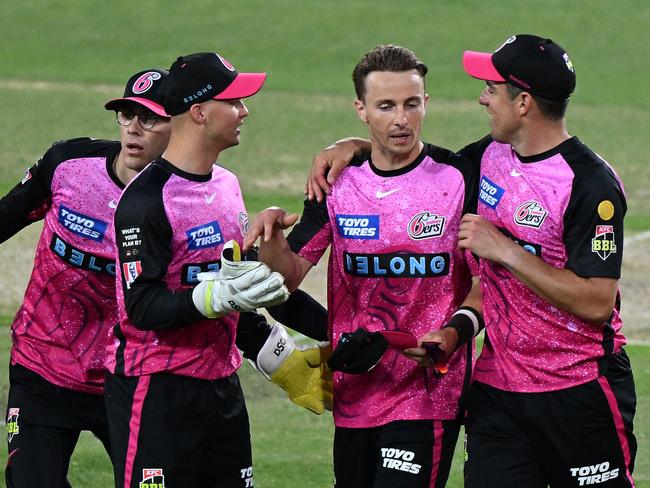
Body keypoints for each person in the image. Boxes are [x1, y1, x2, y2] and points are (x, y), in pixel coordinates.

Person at [307, 34, 637, 488]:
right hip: (498, 390)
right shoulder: (488, 157)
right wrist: (351, 146)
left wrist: (504, 250)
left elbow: (597, 302)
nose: (483, 97)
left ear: (522, 103)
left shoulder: (589, 183)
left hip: (577, 390)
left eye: (492, 88)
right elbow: (413, 161)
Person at [245, 45, 483, 488]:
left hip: (429, 392)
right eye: (386, 106)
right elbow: (286, 276)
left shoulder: (459, 176)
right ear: (361, 109)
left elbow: (488, 284)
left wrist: (454, 334)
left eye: (412, 104)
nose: (401, 119)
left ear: (426, 102)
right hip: (355, 391)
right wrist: (274, 238)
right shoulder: (337, 183)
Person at [103, 52, 293, 488]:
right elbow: (142, 307)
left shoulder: (227, 184)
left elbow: (242, 287)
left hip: (221, 384)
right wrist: (214, 297)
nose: (245, 111)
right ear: (199, 111)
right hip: (157, 392)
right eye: (235, 101)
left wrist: (299, 349)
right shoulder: (145, 201)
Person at [0, 68, 171, 487]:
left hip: (130, 381)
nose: (134, 128)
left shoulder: (184, 199)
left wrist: (275, 355)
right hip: (41, 369)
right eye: (127, 114)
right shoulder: (69, 165)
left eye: (149, 118)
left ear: (180, 125)